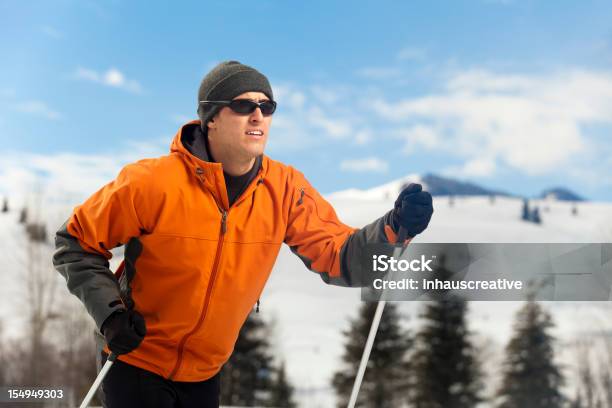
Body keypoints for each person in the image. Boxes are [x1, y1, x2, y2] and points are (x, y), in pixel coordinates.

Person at [53, 60, 433, 408]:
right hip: (135, 360)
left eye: (267, 106)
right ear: (211, 118)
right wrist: (111, 316)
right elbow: (74, 243)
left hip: (205, 374)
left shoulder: (286, 190)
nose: (258, 114)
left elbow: (339, 257)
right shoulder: (152, 183)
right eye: (243, 105)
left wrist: (394, 228)